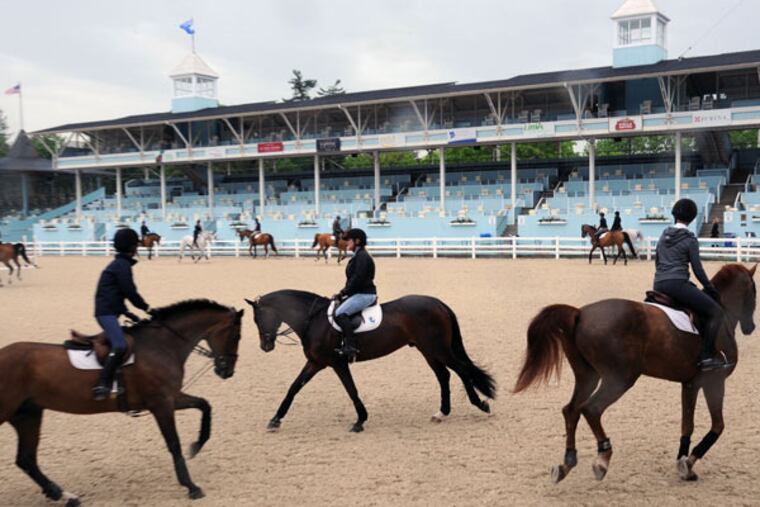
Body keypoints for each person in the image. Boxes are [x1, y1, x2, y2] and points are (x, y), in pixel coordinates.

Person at [653, 198, 728, 372]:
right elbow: (698, 269)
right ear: (692, 218)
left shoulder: (663, 235)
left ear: (674, 214)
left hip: (658, 284)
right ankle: (707, 356)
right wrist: (711, 289)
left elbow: (657, 261)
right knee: (716, 313)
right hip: (677, 283)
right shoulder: (690, 239)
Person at [93, 228, 151, 400]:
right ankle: (103, 383)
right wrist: (146, 308)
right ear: (133, 247)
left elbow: (116, 295)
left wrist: (130, 314)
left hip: (112, 310)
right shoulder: (122, 266)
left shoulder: (120, 264)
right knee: (120, 345)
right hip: (105, 313)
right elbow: (129, 291)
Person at [332, 228, 377, 362]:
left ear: (357, 241)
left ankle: (351, 347)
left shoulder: (362, 256)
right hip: (359, 292)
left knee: (340, 313)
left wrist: (343, 293)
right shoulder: (358, 255)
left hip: (365, 294)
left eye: (349, 241)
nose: (346, 243)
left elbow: (357, 279)